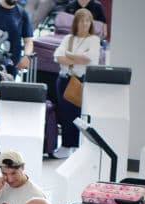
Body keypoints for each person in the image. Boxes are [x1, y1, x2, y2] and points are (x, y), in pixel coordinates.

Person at [53, 9, 101, 159]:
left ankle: (74, 145)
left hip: (79, 81)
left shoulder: (93, 40)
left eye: (87, 20)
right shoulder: (68, 38)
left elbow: (89, 59)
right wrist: (76, 57)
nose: (84, 23)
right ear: (76, 22)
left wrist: (69, 55)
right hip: (64, 79)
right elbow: (57, 56)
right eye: (81, 20)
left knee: (76, 114)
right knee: (65, 113)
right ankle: (66, 145)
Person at [0, 0, 34, 74]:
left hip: (12, 63)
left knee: (8, 84)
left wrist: (26, 56)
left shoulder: (22, 14)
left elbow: (28, 41)